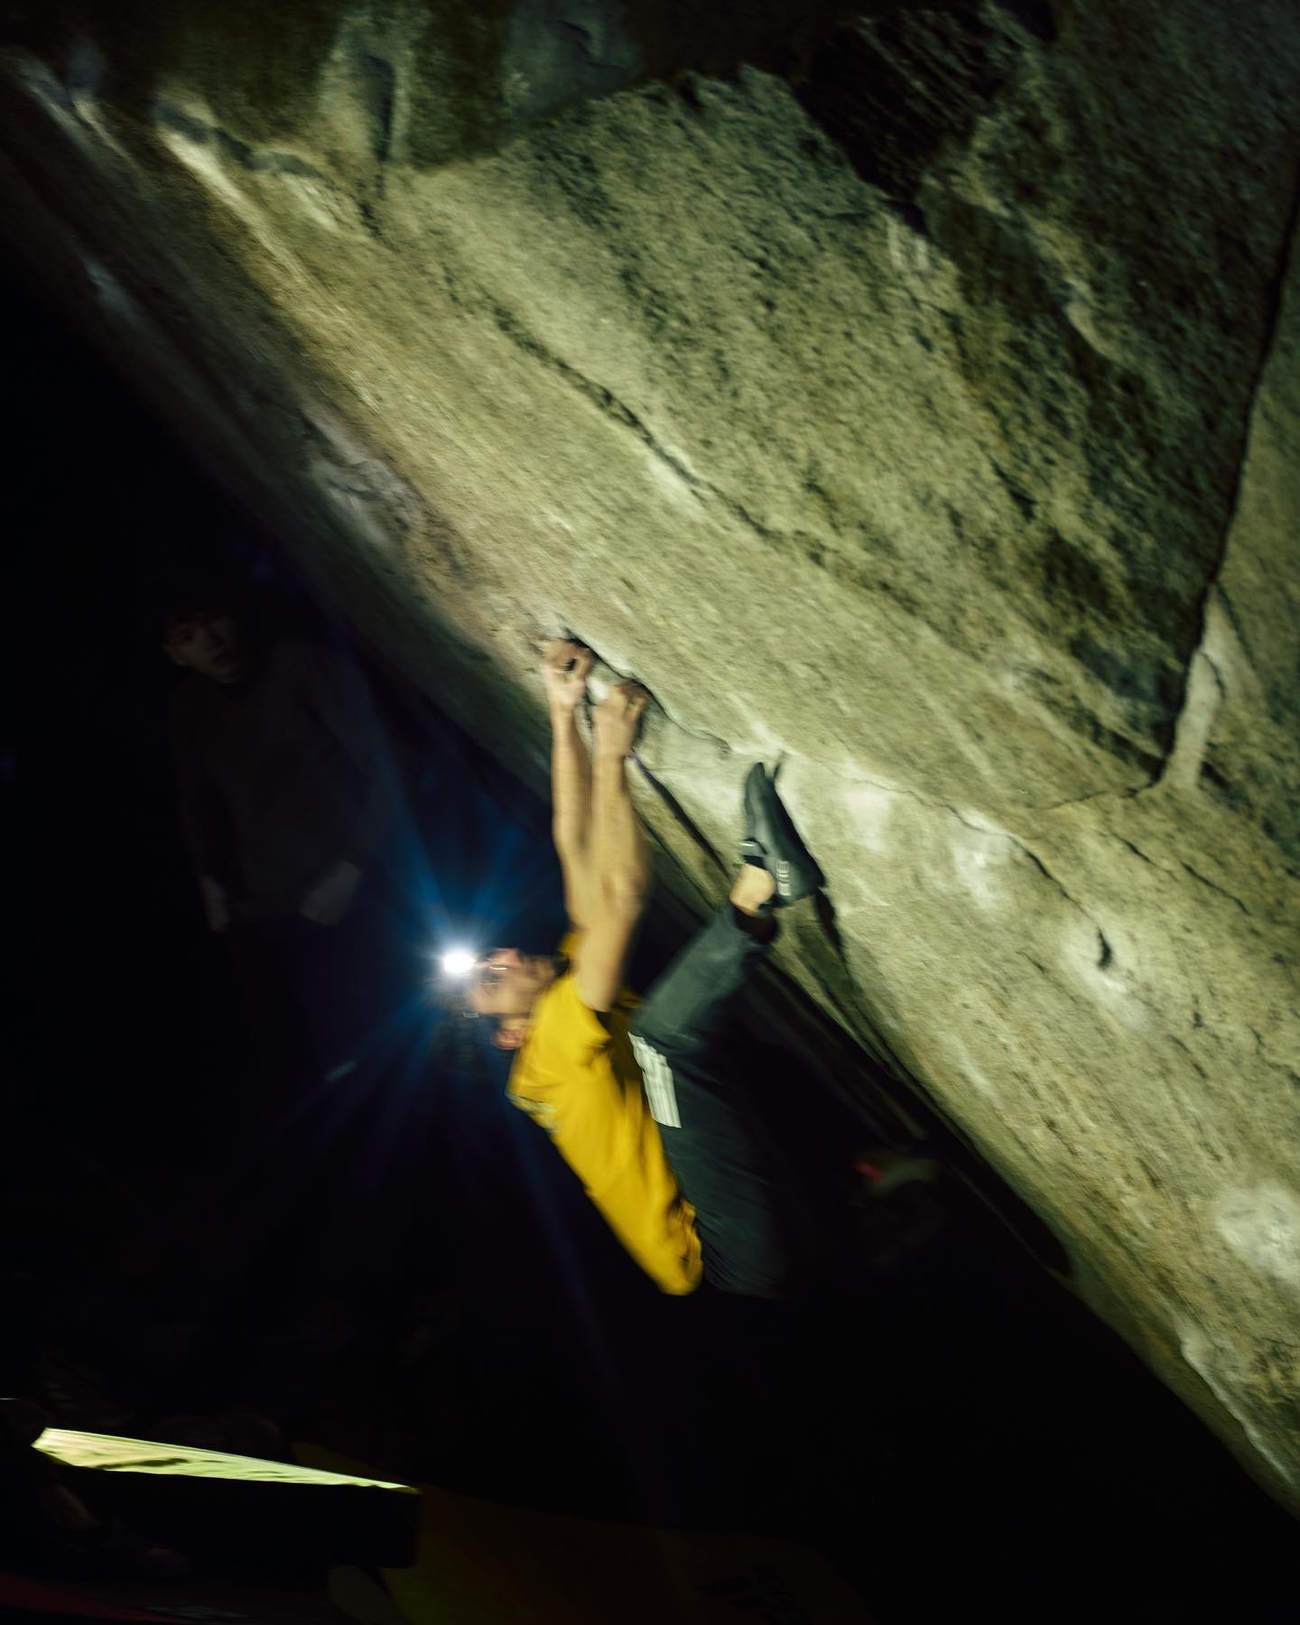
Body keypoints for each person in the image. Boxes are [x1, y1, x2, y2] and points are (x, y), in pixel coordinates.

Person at [466, 640, 825, 1299]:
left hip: (746, 1208)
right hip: (727, 1247)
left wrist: (563, 709)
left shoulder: (563, 989)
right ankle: (764, 882)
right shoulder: (550, 1056)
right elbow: (625, 900)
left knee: (686, 1050)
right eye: (493, 980)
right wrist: (612, 753)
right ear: (509, 1034)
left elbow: (576, 848)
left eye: (494, 955)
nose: (508, 955)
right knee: (665, 1038)